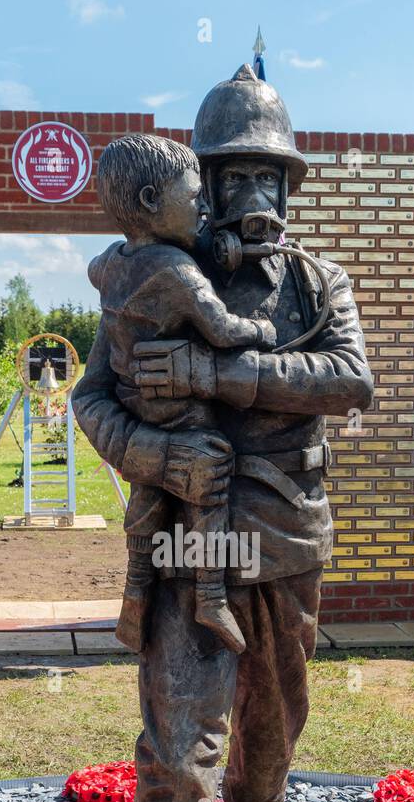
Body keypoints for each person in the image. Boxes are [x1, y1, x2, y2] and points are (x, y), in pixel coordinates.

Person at [73, 64, 374, 802]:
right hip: (183, 531)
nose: (254, 194)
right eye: (233, 174)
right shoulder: (155, 268)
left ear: (289, 185)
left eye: (270, 175)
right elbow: (93, 394)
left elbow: (349, 381)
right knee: (177, 730)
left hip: (284, 531)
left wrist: (217, 380)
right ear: (201, 180)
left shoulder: (320, 280)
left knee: (275, 709)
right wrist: (152, 457)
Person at [89, 132, 276, 654]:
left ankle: (134, 594)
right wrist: (260, 332)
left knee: (146, 503)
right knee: (208, 484)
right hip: (182, 417)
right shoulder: (181, 271)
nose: (208, 207)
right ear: (152, 202)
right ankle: (210, 594)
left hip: (138, 405)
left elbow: (352, 381)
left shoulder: (110, 263)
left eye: (267, 178)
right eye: (201, 194)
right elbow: (221, 329)